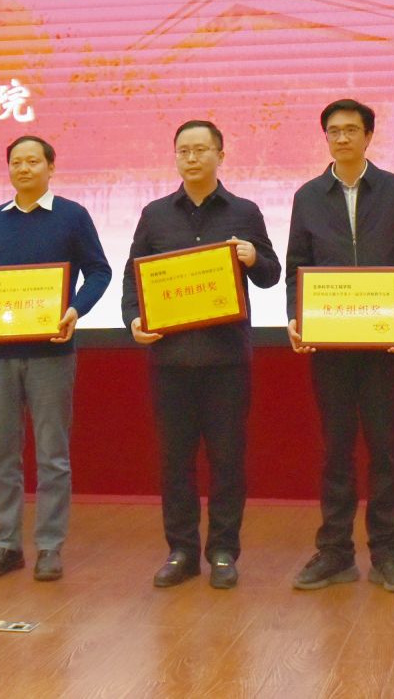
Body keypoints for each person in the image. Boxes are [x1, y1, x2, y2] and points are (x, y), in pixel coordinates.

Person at [120, 119, 282, 589]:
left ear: (220, 156)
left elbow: (271, 274)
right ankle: (182, 551)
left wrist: (252, 257)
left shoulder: (245, 212)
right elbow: (134, 277)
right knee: (175, 461)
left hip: (226, 360)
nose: (191, 158)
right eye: (183, 151)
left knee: (227, 460)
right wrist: (134, 320)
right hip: (170, 361)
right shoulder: (155, 214)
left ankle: (224, 551)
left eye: (200, 150)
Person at [285, 99, 394, 594]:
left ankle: (386, 553)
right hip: (329, 344)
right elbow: (296, 267)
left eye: (351, 130)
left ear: (369, 136)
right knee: (336, 449)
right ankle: (335, 552)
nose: (341, 138)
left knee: (384, 449)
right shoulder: (307, 196)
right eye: (333, 131)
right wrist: (296, 317)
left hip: (383, 343)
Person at [0, 133, 111, 583]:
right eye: (16, 162)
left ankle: (49, 546)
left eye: (33, 161)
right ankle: (7, 544)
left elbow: (99, 271)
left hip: (51, 354)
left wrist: (76, 309)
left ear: (51, 167)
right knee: (1, 453)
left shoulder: (72, 215)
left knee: (52, 455)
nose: (24, 169)